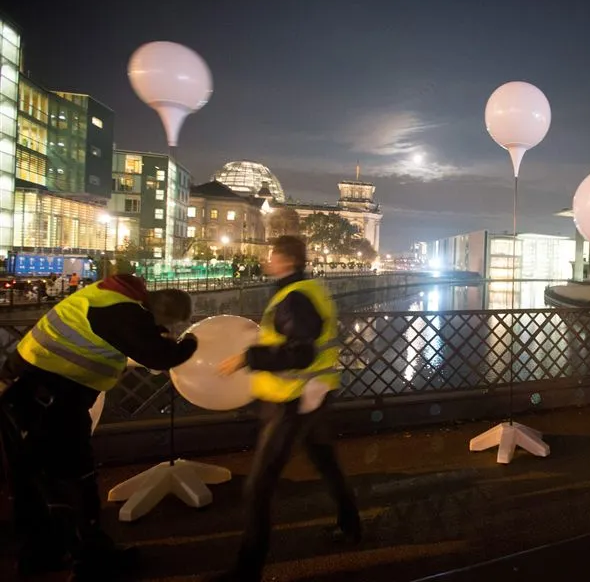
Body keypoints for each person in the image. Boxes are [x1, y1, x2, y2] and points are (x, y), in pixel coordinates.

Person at [0, 275, 198, 581]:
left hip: (21, 393)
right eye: (171, 324)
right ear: (157, 313)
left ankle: (41, 555)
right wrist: (190, 343)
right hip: (52, 400)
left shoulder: (103, 297)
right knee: (73, 478)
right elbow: (161, 357)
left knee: (32, 481)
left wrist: (150, 332)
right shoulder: (124, 312)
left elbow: (125, 333)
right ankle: (94, 564)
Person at [212, 235, 360, 582]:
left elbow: (301, 352)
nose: (267, 261)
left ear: (286, 260)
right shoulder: (311, 289)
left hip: (292, 399)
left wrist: (250, 357)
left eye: (272, 256)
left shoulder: (293, 297)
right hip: (316, 392)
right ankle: (351, 527)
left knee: (259, 485)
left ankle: (247, 571)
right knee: (326, 462)